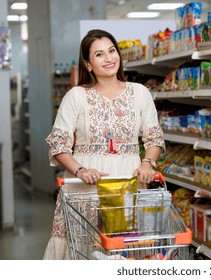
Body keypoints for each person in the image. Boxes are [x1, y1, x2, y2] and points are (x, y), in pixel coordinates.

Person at [43, 29, 165, 259]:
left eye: (111, 51)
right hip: (85, 187)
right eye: (99, 54)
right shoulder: (76, 96)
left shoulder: (140, 93)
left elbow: (154, 136)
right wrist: (79, 169)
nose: (109, 58)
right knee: (84, 250)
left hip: (128, 183)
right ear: (88, 64)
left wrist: (148, 163)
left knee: (125, 250)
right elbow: (58, 143)